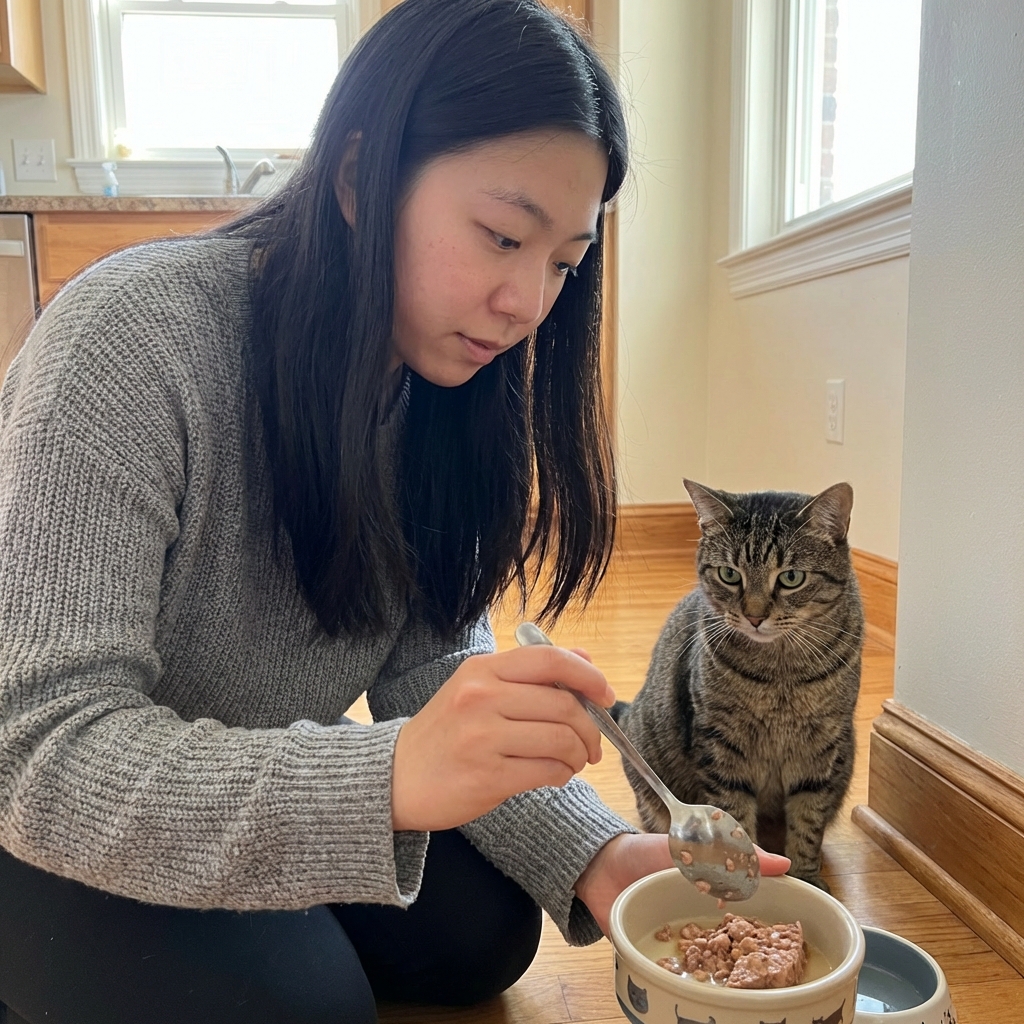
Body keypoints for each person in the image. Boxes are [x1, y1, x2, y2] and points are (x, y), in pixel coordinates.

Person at [0, 2, 788, 1022]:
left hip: (225, 766)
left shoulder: (439, 390)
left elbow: (429, 661)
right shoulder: (130, 341)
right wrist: (380, 779)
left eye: (561, 260)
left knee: (484, 932)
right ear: (357, 178)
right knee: (310, 1006)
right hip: (37, 809)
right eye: (502, 235)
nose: (526, 303)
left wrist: (599, 853)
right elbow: (42, 747)